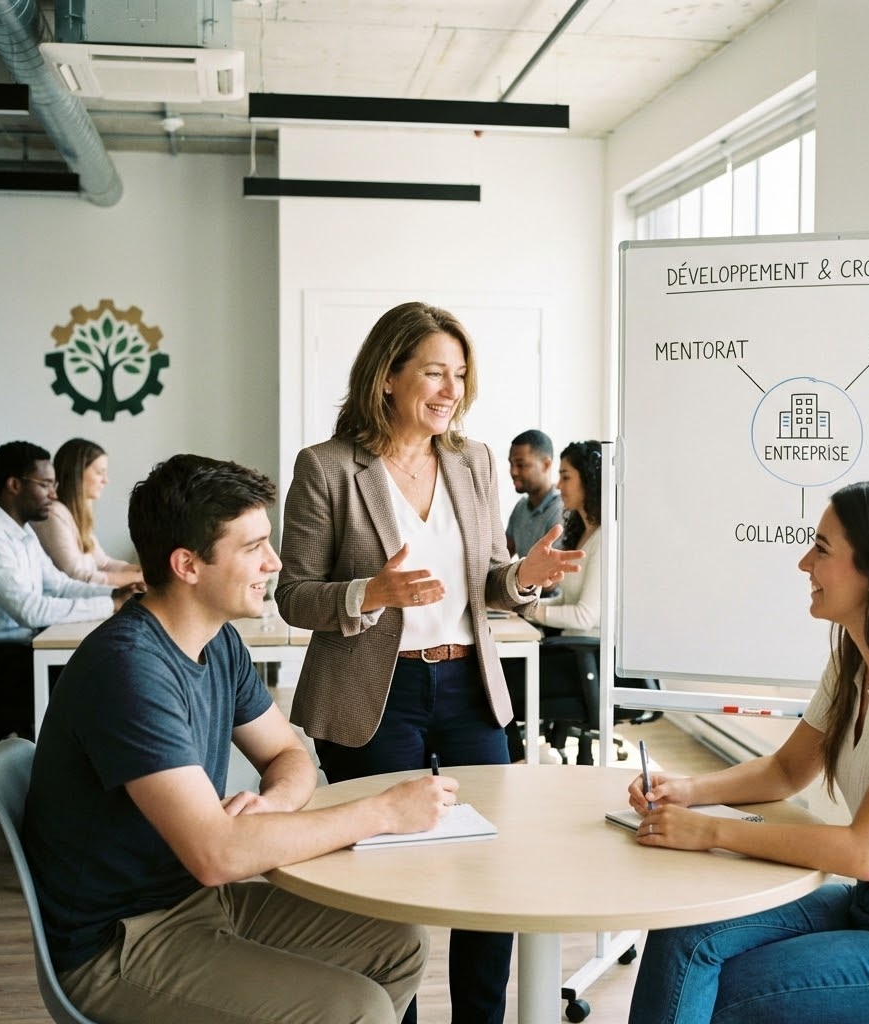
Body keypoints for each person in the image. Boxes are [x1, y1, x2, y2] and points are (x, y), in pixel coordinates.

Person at [23, 453, 458, 1024]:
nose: (274, 563)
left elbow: (288, 754)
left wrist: (271, 805)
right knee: (359, 1010)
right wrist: (382, 812)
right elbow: (216, 853)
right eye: (253, 547)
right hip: (118, 944)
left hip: (195, 902)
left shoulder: (218, 642)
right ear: (188, 565)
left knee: (399, 942)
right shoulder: (128, 669)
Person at [276, 300, 583, 1024]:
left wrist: (523, 578)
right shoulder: (327, 468)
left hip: (470, 685)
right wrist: (369, 591)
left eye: (460, 375)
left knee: (490, 871)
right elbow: (293, 595)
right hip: (373, 694)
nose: (451, 390)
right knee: (386, 875)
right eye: (435, 373)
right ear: (388, 376)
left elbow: (489, 579)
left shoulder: (472, 461)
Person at [626, 480, 869, 1024]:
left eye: (822, 549)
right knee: (682, 935)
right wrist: (685, 791)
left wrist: (708, 831)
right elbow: (785, 770)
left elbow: (864, 851)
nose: (804, 562)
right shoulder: (853, 661)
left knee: (733, 994)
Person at [0, 441, 135, 739]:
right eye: (46, 484)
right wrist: (111, 605)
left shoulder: (22, 531)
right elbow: (30, 610)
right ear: (14, 485)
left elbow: (60, 585)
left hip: (22, 654)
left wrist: (116, 595)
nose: (53, 494)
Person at [503, 440, 603, 762]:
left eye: (566, 476)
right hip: (569, 653)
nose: (559, 485)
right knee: (492, 674)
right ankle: (522, 759)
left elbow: (585, 616)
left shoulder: (605, 538)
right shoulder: (583, 534)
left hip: (587, 662)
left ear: (589, 480)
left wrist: (532, 609)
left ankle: (521, 760)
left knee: (494, 684)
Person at [33, 437, 144, 587]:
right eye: (99, 472)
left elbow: (104, 564)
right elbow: (77, 576)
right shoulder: (53, 514)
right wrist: (136, 578)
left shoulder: (76, 515)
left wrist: (143, 572)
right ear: (77, 474)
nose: (106, 480)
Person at [505, 429, 563, 558]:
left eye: (521, 465)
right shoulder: (520, 507)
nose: (513, 471)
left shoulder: (560, 510)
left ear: (546, 465)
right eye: (511, 464)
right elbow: (502, 555)